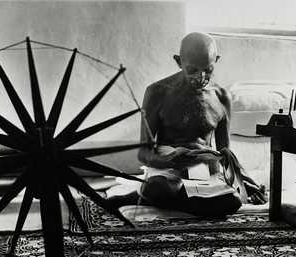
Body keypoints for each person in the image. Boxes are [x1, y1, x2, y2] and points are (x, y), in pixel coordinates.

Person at [107, 32, 266, 217]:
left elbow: (225, 152)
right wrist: (168, 160)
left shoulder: (222, 97)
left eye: (208, 69)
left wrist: (244, 181)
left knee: (234, 201)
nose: (201, 76)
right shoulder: (157, 92)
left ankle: (144, 198)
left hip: (204, 173)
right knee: (158, 188)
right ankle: (183, 202)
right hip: (168, 170)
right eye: (193, 70)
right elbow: (143, 152)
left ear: (217, 61)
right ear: (178, 61)